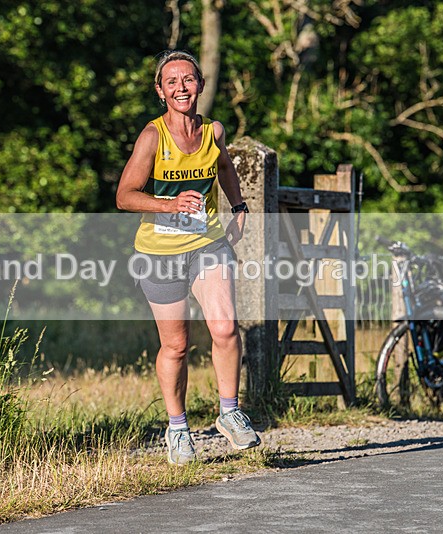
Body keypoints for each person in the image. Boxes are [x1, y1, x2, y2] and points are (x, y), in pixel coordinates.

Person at [116, 50, 260, 465]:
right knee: (176, 346)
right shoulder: (152, 137)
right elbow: (125, 196)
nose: (182, 88)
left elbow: (226, 167)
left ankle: (229, 412)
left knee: (225, 326)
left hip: (207, 245)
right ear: (160, 91)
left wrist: (239, 207)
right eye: (172, 82)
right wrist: (169, 204)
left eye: (189, 79)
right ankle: (178, 429)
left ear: (200, 84)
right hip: (158, 253)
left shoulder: (213, 131)